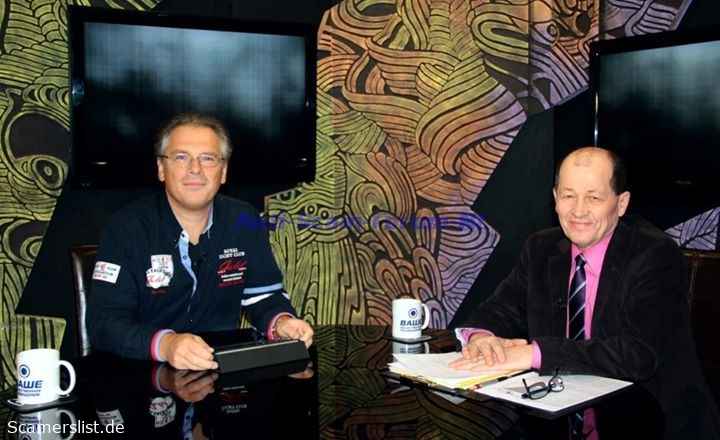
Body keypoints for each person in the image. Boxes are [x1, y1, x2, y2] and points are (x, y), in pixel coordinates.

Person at [449, 146, 720, 438]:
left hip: (653, 421)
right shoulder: (541, 248)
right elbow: (500, 308)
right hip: (559, 414)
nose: (578, 211)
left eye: (593, 197)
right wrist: (482, 338)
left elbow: (639, 354)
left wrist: (534, 354)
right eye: (568, 196)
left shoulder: (654, 254)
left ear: (621, 203)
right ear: (555, 199)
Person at [87, 112, 313, 371]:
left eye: (208, 158)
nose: (195, 168)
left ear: (223, 171)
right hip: (141, 375)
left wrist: (281, 322)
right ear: (161, 168)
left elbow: (264, 296)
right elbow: (103, 323)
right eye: (181, 157)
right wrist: (166, 345)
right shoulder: (125, 228)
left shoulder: (244, 220)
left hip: (220, 374)